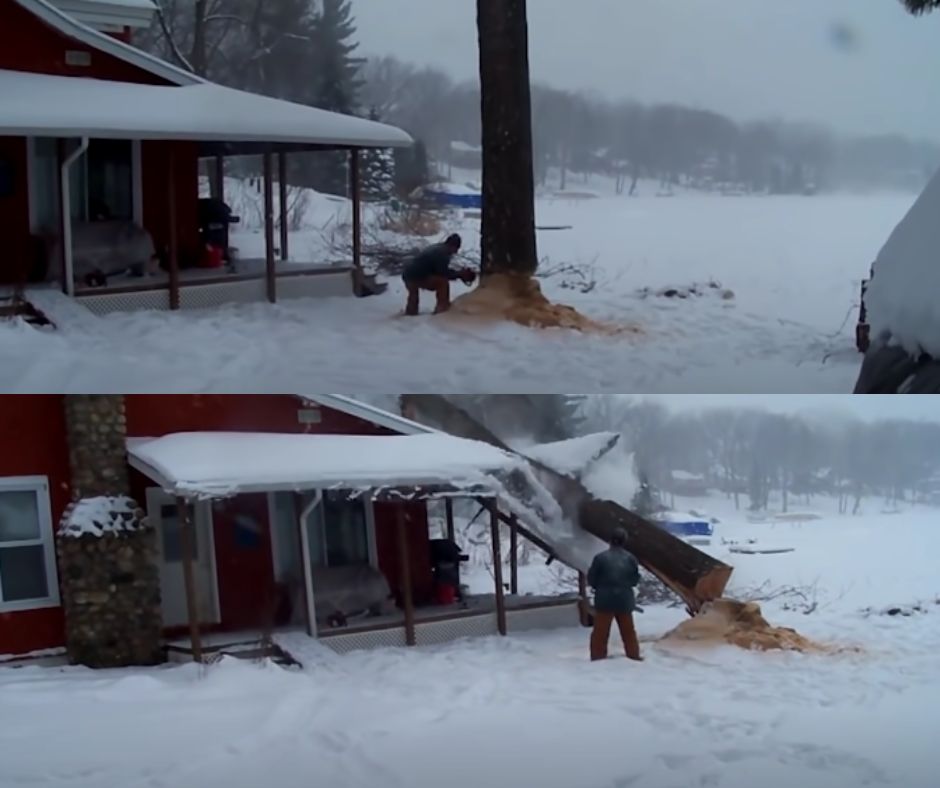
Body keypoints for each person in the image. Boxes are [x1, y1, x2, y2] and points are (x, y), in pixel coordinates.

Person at [587, 528, 643, 662]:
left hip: (604, 600)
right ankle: (633, 655)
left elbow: (592, 579)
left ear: (610, 540)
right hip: (624, 600)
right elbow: (635, 580)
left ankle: (598, 657)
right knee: (628, 632)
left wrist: (600, 587)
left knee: (600, 632)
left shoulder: (600, 558)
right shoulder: (630, 558)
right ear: (624, 541)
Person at [402, 234, 476, 316]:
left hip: (408, 274)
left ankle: (411, 312)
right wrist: (459, 274)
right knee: (442, 283)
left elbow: (439, 270)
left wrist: (457, 273)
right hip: (418, 276)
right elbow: (443, 273)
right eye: (456, 248)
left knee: (413, 294)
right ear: (452, 246)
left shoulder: (438, 248)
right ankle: (442, 309)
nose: (456, 252)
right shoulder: (443, 253)